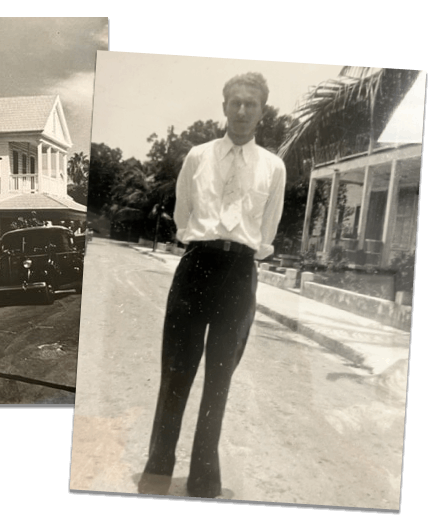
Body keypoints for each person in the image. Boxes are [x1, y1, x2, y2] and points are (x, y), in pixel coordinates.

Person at [139, 72, 286, 498]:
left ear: (261, 111)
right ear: (223, 107)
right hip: (196, 268)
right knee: (175, 374)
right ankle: (156, 473)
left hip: (240, 276)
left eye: (251, 104)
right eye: (235, 102)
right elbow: (184, 216)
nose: (242, 111)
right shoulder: (197, 157)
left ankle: (203, 481)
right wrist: (203, 240)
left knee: (217, 384)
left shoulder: (273, 167)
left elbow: (268, 230)